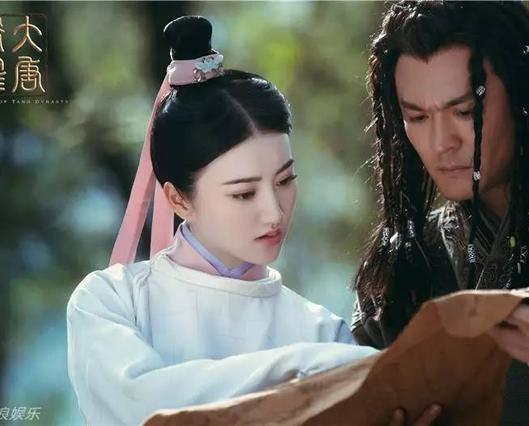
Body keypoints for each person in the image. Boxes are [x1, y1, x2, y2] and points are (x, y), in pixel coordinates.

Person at [66, 16, 382, 426]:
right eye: (244, 193)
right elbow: (149, 408)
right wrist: (309, 367)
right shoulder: (111, 302)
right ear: (178, 199)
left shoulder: (321, 330)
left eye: (285, 181)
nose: (275, 212)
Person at [351, 1, 529, 424]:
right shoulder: (404, 267)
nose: (441, 142)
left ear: (523, 97)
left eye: (465, 112)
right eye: (417, 117)